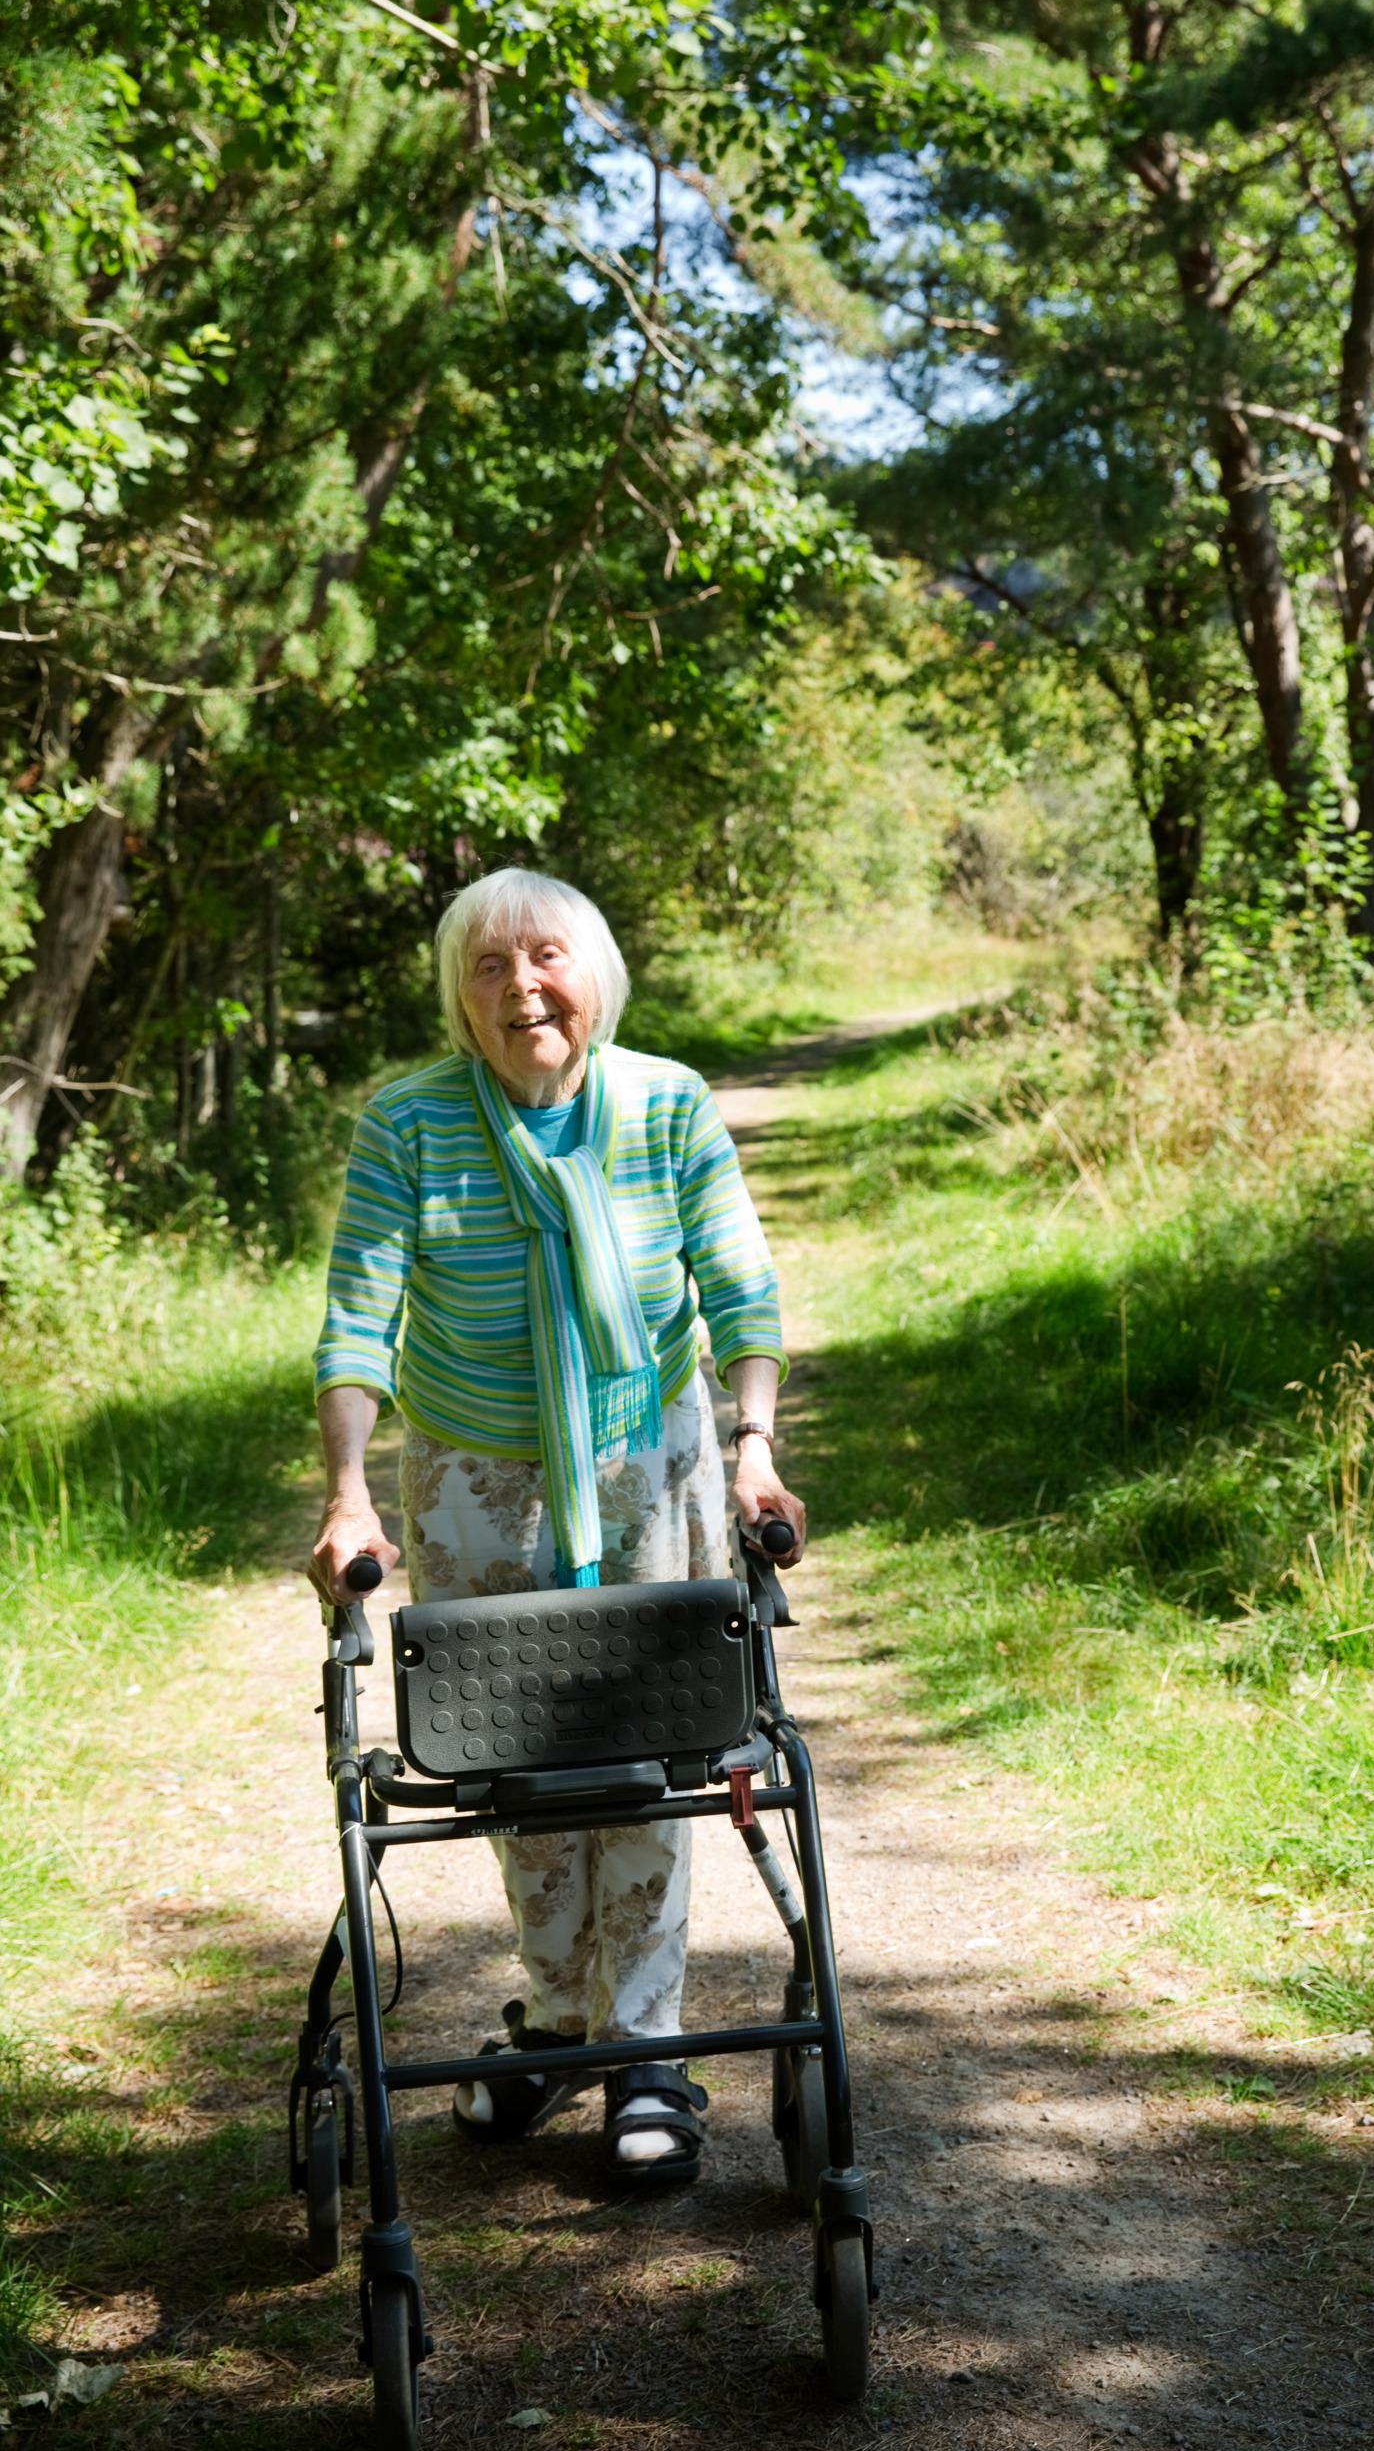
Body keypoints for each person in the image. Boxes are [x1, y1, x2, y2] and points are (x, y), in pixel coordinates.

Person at [307, 865, 805, 2186]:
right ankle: (561, 2020)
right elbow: (359, 1319)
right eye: (489, 966)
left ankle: (642, 2047)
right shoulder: (408, 1123)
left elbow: (740, 1289)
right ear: (458, 995)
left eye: (546, 960)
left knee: (650, 1751)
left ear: (595, 975)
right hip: (473, 1472)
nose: (523, 989)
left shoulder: (665, 1104)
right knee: (518, 1766)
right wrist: (350, 1491)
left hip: (650, 1466)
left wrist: (753, 1458)